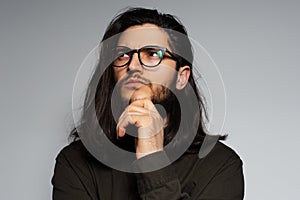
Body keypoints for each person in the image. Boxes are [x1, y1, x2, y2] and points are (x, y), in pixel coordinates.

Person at [52, 7, 244, 200]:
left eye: (152, 54)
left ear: (181, 77)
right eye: (123, 55)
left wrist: (152, 159)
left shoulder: (220, 164)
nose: (133, 65)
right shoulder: (75, 162)